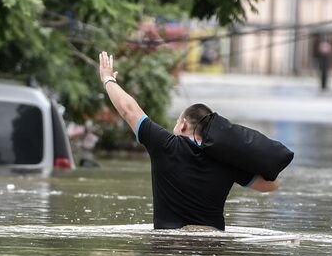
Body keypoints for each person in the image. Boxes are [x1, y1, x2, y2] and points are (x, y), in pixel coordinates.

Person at [98, 50, 279, 231]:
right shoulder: (228, 160)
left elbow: (128, 109)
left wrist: (108, 79)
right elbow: (270, 186)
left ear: (183, 125)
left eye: (177, 122)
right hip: (212, 247)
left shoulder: (164, 145)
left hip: (168, 246)